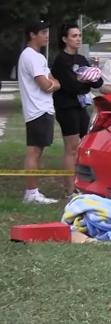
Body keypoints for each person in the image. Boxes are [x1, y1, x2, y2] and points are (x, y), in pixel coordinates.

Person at [51, 24, 105, 197]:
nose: (78, 38)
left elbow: (98, 82)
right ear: (65, 39)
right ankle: (69, 189)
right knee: (71, 148)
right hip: (66, 107)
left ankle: (83, 184)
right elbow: (72, 86)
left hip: (82, 106)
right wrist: (85, 81)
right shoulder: (61, 60)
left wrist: (88, 79)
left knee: (86, 145)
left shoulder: (81, 59)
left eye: (79, 35)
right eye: (74, 36)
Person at [17, 19, 61, 204]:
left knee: (38, 151)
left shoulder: (39, 56)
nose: (46, 36)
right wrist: (54, 84)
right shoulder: (30, 56)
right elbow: (46, 84)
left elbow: (52, 80)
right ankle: (31, 193)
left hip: (43, 109)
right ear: (32, 35)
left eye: (47, 32)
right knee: (34, 152)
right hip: (37, 110)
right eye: (43, 32)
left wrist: (54, 83)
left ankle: (33, 192)